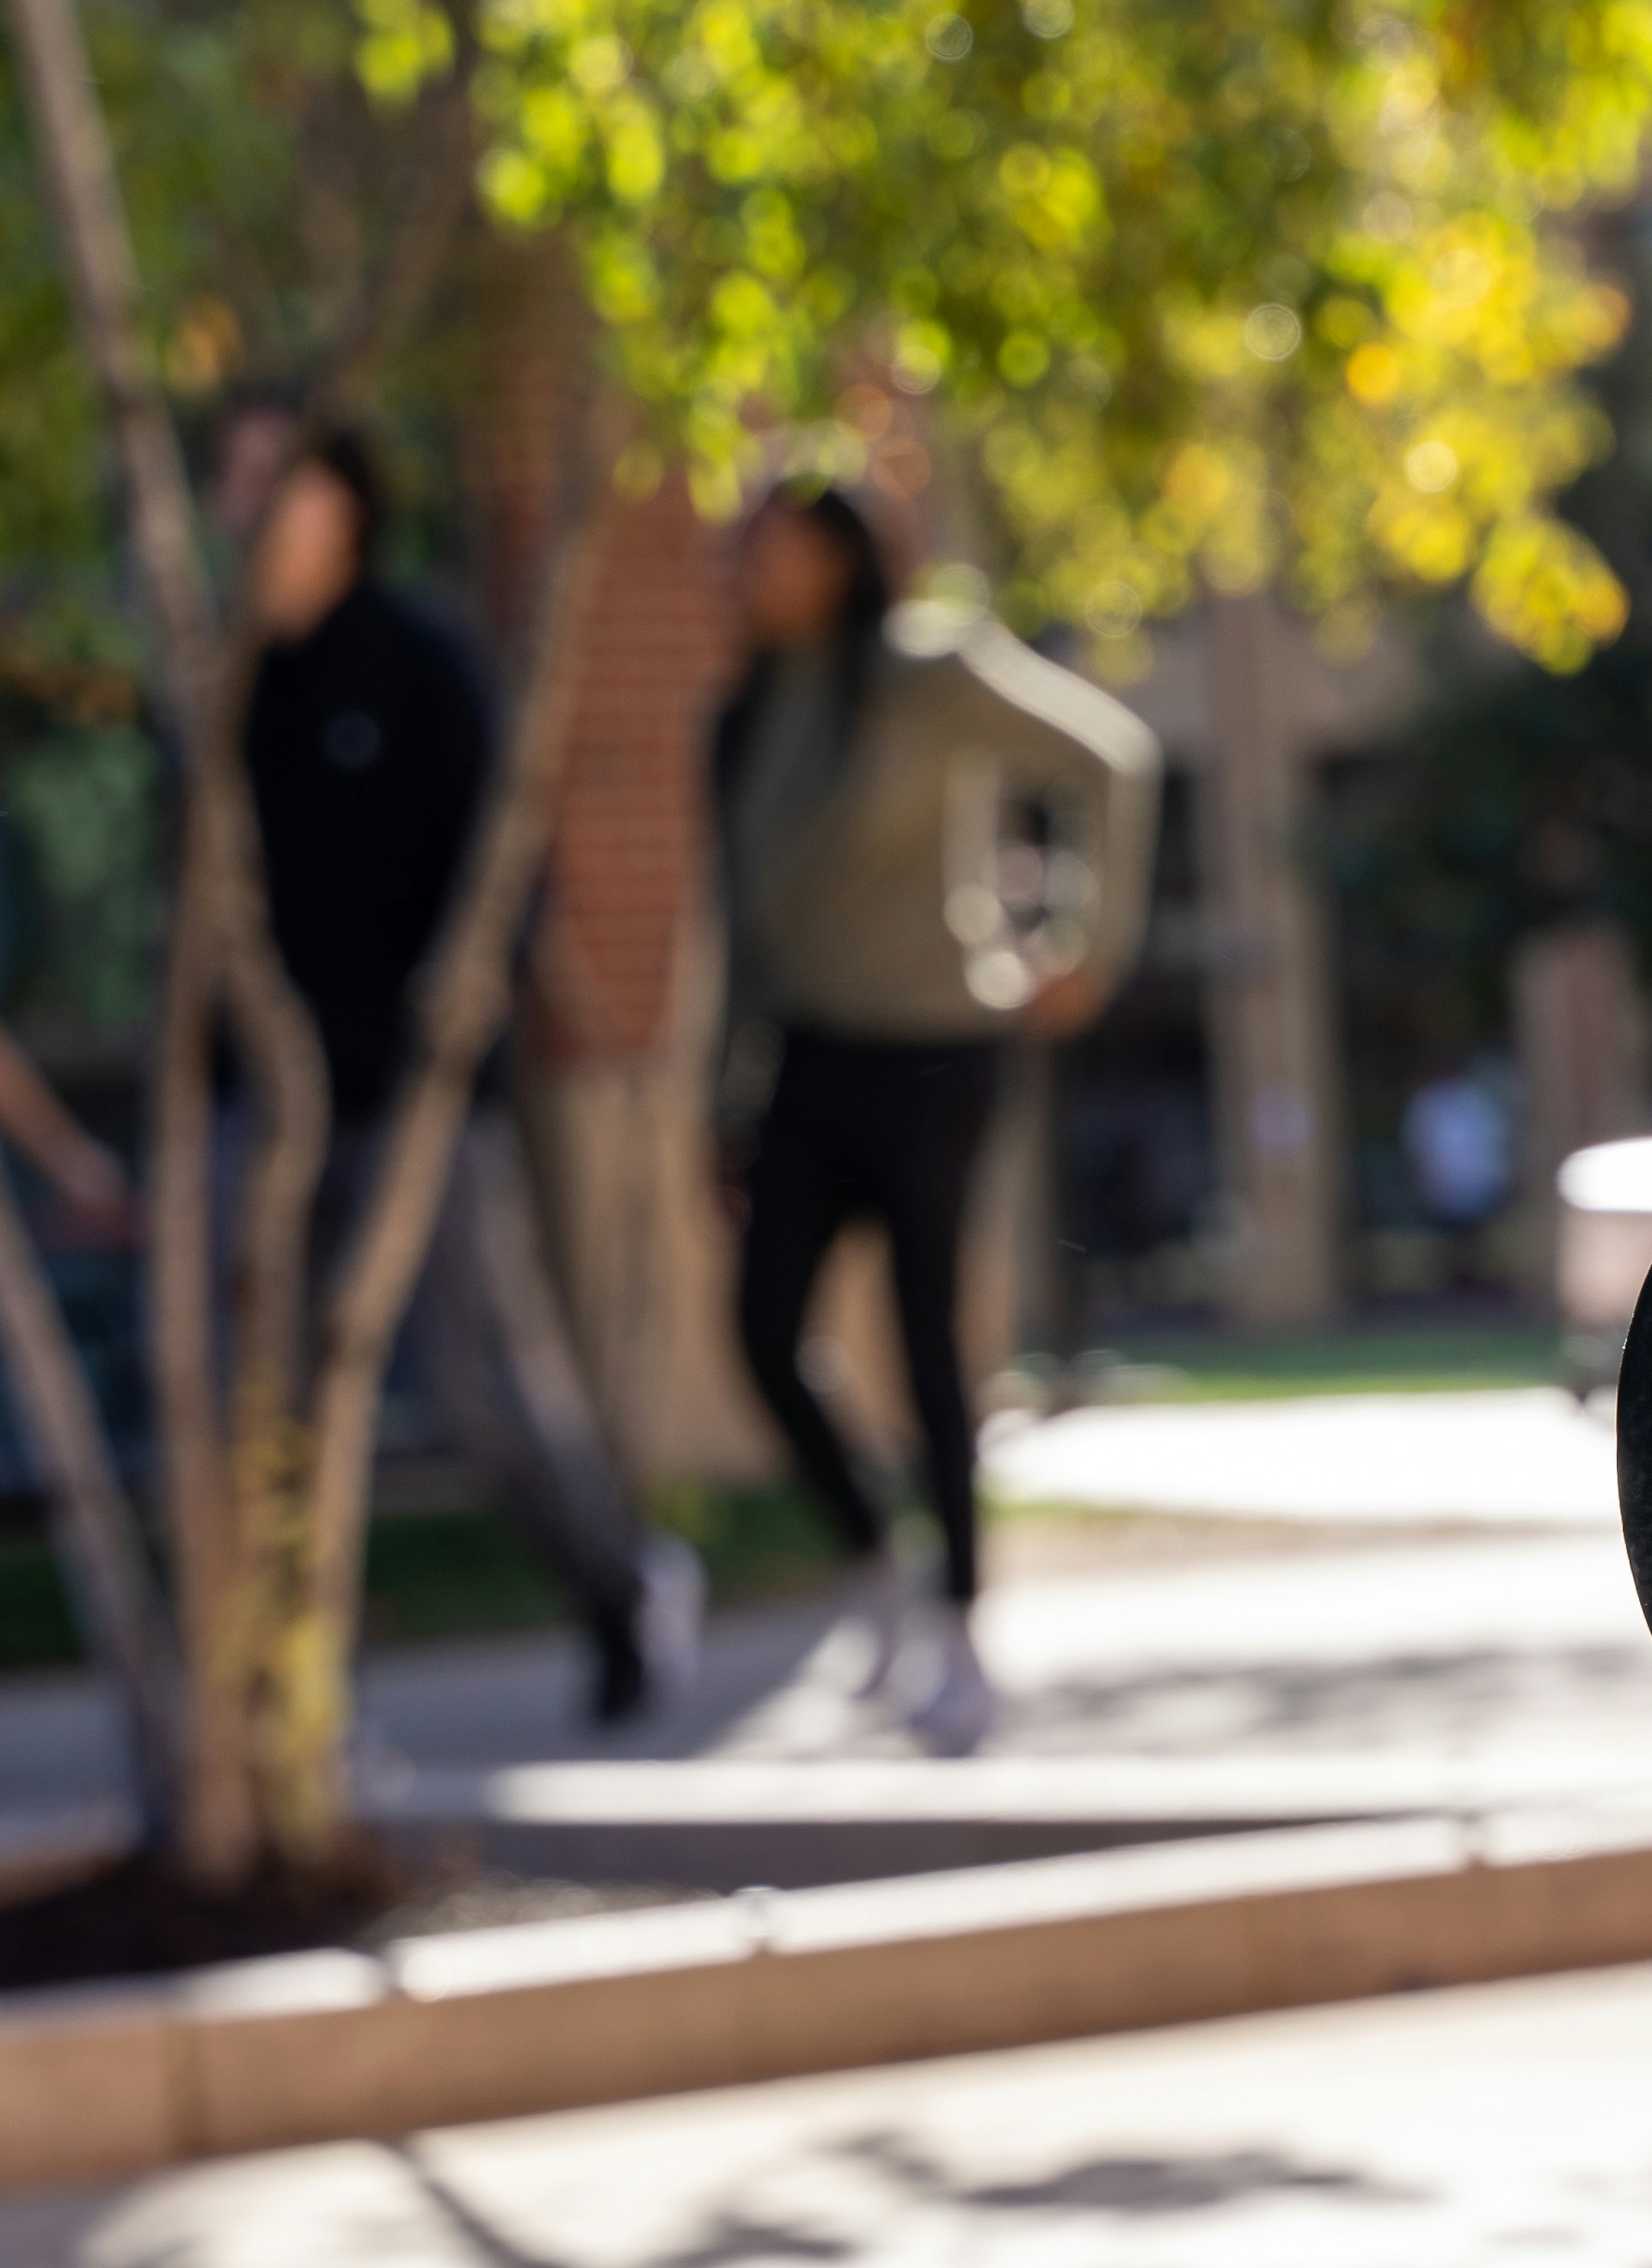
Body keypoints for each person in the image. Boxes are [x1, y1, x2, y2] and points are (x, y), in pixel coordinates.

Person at [222, 410, 700, 1725]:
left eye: (274, 477)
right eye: (232, 476)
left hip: (418, 1110)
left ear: (345, 500)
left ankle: (621, 1594)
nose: (243, 500)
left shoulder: (421, 657)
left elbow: (508, 874)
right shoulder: (231, 683)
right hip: (270, 1116)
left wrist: (458, 1028)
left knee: (487, 1395)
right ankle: (294, 1706)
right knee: (263, 1417)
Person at [709, 486, 1157, 1755]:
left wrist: (1085, 944)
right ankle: (874, 1557)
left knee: (921, 1336)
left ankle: (961, 1628)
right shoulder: (744, 713)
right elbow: (732, 931)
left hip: (938, 1054)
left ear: (839, 554)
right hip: (803, 1052)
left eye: (773, 541)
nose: (747, 562)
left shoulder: (928, 667)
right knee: (759, 1326)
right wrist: (714, 1094)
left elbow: (1110, 761)